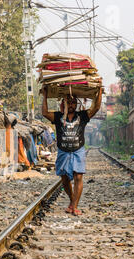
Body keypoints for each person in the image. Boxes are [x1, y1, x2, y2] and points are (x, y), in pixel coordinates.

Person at [41, 87, 102, 216]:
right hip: (63, 151)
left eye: (73, 102)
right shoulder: (58, 117)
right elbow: (45, 113)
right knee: (64, 178)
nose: (71, 104)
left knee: (78, 176)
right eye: (68, 102)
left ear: (77, 104)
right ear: (63, 104)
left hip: (78, 150)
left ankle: (74, 206)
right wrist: (45, 95)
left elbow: (96, 108)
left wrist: (100, 92)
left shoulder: (83, 116)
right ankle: (72, 201)